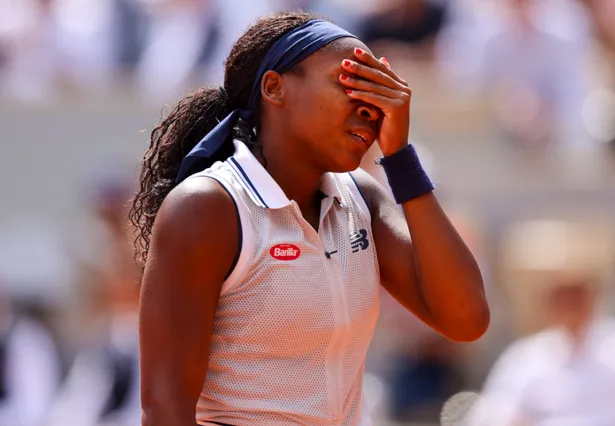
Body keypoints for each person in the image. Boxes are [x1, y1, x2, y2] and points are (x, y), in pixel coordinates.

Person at [129, 11, 489, 426]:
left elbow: (467, 319)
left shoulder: (363, 198)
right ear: (275, 87)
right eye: (351, 82)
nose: (369, 107)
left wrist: (400, 159)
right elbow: (163, 410)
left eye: (377, 91)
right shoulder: (208, 207)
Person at [467, 269, 615, 426]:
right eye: (561, 297)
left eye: (576, 295)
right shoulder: (525, 356)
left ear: (592, 298)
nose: (569, 305)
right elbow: (494, 412)